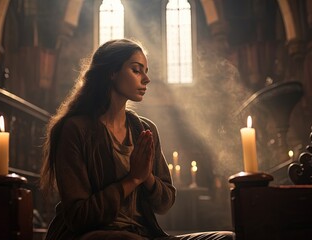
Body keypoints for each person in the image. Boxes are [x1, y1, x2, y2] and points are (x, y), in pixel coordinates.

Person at [40, 38, 234, 240]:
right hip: (91, 234)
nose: (146, 79)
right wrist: (132, 179)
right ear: (112, 72)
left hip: (143, 233)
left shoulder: (144, 129)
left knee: (226, 238)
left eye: (146, 71)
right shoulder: (76, 129)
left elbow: (165, 201)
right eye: (136, 70)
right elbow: (79, 216)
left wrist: (146, 177)